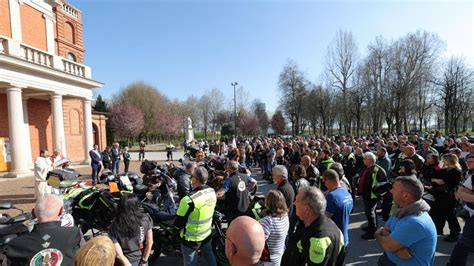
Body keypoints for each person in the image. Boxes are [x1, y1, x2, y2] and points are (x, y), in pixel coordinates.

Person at [375, 175, 437, 266]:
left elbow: (387, 244)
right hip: (389, 259)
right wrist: (398, 249)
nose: (391, 191)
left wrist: (377, 235)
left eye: (394, 189)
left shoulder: (415, 222)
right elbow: (386, 230)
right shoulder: (401, 209)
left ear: (406, 195)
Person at [5, 195, 83, 265]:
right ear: (61, 211)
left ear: (33, 213)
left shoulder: (16, 244)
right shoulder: (74, 233)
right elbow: (86, 258)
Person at [282, 187, 345, 266]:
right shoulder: (333, 226)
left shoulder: (317, 239)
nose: (294, 203)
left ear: (307, 209)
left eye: (297, 201)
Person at [175, 166, 217, 266]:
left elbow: (178, 222)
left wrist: (175, 233)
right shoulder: (212, 191)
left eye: (192, 176)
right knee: (209, 256)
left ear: (196, 179)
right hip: (207, 234)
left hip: (191, 239)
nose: (191, 179)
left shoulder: (188, 200)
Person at [108, 193, 153, 266]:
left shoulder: (114, 226)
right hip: (141, 260)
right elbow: (150, 242)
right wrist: (144, 260)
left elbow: (119, 255)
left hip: (123, 262)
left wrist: (126, 263)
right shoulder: (146, 219)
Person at [448, 154, 474, 265]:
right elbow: (459, 193)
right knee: (462, 246)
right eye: (468, 161)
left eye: (472, 161)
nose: (469, 163)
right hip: (472, 216)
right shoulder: (472, 176)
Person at [430, 153, 462, 241]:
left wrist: (439, 181)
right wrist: (436, 178)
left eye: (443, 159)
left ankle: (455, 232)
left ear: (448, 160)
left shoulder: (456, 170)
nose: (442, 161)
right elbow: (435, 174)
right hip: (441, 195)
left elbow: (449, 183)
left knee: (449, 214)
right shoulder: (446, 169)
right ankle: (439, 231)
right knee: (438, 213)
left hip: (448, 195)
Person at [358, 152, 387, 239]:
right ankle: (371, 226)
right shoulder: (367, 168)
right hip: (366, 193)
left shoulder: (377, 170)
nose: (363, 160)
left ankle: (372, 232)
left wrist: (377, 194)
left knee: (370, 212)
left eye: (364, 159)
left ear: (370, 160)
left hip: (372, 195)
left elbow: (383, 184)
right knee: (370, 212)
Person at [323, 169, 353, 248]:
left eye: (325, 182)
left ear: (329, 181)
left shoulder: (332, 196)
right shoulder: (347, 193)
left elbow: (325, 218)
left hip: (334, 239)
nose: (325, 184)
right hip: (345, 238)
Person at [259, 190, 289, 265]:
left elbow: (258, 242)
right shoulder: (285, 216)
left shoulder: (268, 221)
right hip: (280, 256)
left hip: (268, 260)